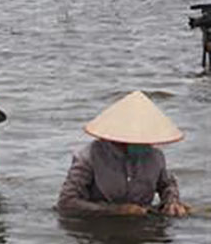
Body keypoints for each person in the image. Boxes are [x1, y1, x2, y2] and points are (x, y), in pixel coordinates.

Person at [57, 91, 189, 217]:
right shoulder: (88, 158)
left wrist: (172, 201)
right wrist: (116, 210)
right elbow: (67, 203)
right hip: (98, 228)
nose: (147, 143)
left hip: (143, 225)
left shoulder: (155, 157)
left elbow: (167, 184)